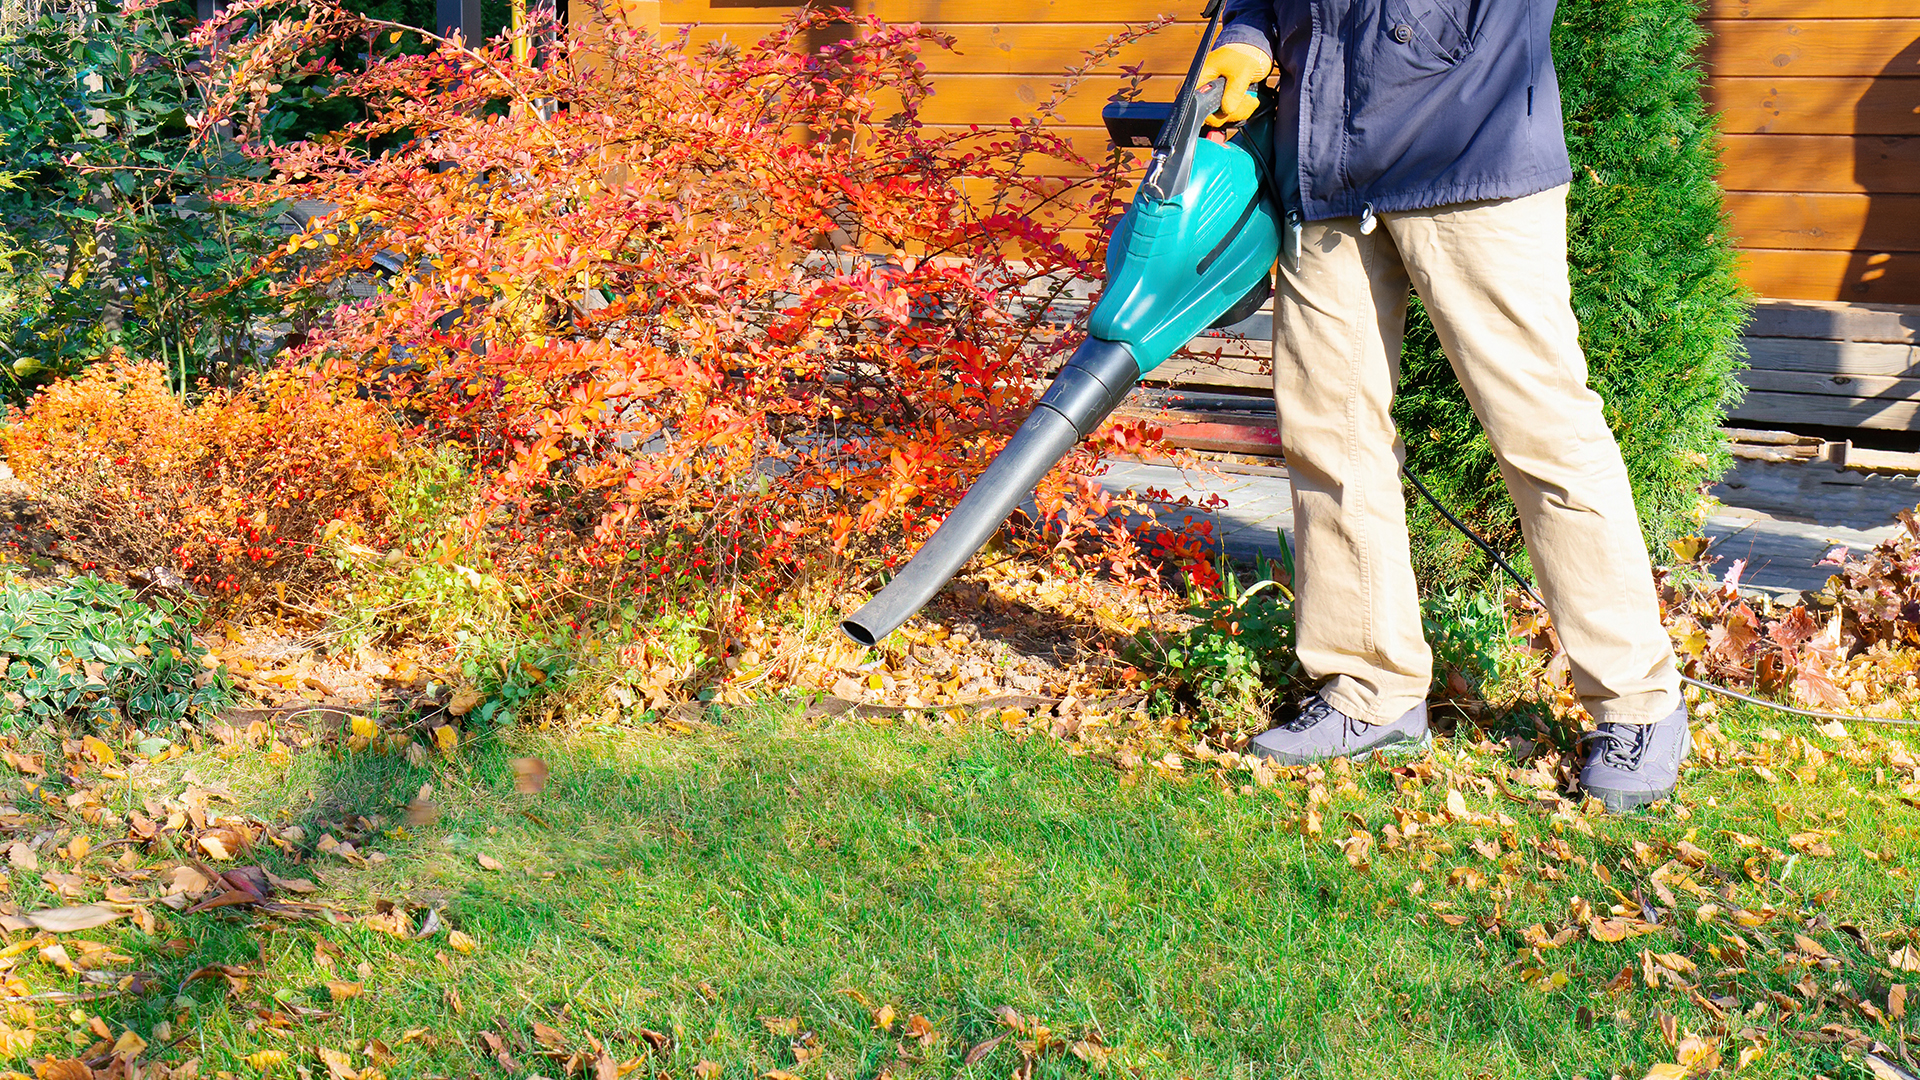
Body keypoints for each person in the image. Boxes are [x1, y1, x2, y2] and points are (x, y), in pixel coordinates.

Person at [1197, 0, 1689, 811]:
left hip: (1468, 133)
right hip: (1324, 154)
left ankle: (1638, 703)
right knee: (1331, 432)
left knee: (1544, 431)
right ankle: (1369, 688)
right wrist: (1248, 34)